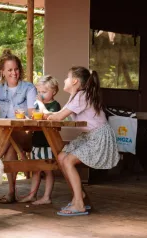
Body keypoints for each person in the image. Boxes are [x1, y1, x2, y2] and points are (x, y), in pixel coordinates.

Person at [46, 66, 119, 216]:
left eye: (67, 77)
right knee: (61, 157)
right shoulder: (75, 97)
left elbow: (58, 117)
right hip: (89, 136)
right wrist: (45, 111)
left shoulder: (81, 96)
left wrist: (42, 108)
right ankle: (79, 196)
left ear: (74, 81)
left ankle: (79, 204)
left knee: (67, 161)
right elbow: (58, 114)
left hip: (99, 137)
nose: (65, 80)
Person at [0, 49, 37, 204]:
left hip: (24, 133)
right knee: (9, 151)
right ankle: (11, 192)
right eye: (9, 70)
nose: (14, 73)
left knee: (6, 139)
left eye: (16, 69)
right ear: (2, 72)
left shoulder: (29, 88)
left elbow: (32, 113)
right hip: (5, 136)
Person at [18, 75, 61, 205]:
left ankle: (46, 197)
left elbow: (48, 116)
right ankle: (32, 195)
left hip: (48, 143)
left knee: (47, 170)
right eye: (39, 92)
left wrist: (41, 105)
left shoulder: (55, 105)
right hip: (36, 142)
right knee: (35, 169)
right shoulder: (38, 105)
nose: (41, 95)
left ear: (53, 92)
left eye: (44, 92)